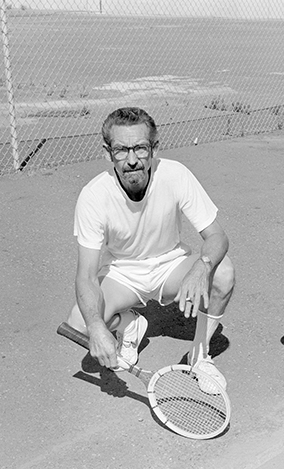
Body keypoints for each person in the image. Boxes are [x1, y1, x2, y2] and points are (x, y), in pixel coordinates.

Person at [63, 107, 235, 388]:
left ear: (154, 148)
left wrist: (201, 267)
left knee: (223, 271)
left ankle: (200, 356)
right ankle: (129, 324)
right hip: (122, 274)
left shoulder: (176, 175)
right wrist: (96, 328)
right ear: (107, 153)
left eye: (140, 148)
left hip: (171, 265)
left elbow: (217, 236)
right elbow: (86, 275)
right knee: (80, 324)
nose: (132, 160)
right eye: (121, 150)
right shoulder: (93, 196)